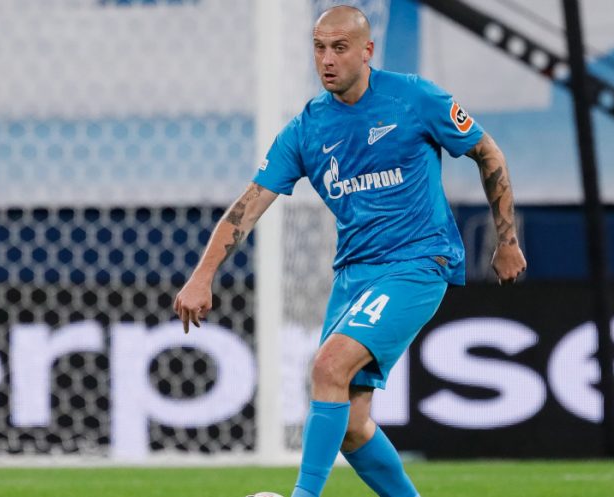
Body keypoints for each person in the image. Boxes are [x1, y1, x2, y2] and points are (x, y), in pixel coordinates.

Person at [174, 5, 526, 497]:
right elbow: (248, 206)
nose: (327, 59)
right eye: (319, 48)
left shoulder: (414, 98)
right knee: (353, 425)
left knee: (328, 366)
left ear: (367, 51)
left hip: (418, 263)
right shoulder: (307, 128)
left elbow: (488, 152)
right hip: (353, 275)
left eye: (339, 48)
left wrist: (506, 240)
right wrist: (202, 275)